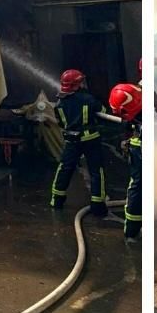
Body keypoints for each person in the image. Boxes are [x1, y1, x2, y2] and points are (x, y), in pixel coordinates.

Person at [49, 69, 109, 217]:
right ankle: (97, 204)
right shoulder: (88, 99)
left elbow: (61, 123)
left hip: (72, 140)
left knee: (65, 168)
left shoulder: (59, 103)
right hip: (91, 139)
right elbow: (102, 110)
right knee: (96, 171)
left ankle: (57, 199)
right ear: (76, 85)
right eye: (80, 82)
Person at [108, 60, 143, 241]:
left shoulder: (134, 92)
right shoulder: (136, 94)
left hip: (138, 147)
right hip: (141, 146)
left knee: (137, 186)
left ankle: (132, 230)